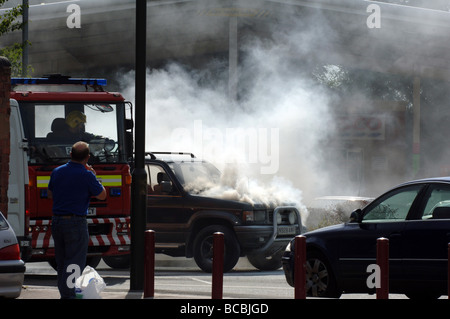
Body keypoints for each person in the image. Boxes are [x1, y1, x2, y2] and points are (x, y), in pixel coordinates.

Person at [48, 141, 106, 299]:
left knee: (62, 263)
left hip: (57, 222)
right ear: (87, 158)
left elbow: (50, 194)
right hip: (76, 222)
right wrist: (94, 176)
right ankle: (70, 296)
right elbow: (102, 195)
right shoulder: (87, 175)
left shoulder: (57, 172)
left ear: (71, 154)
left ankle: (64, 294)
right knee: (73, 263)